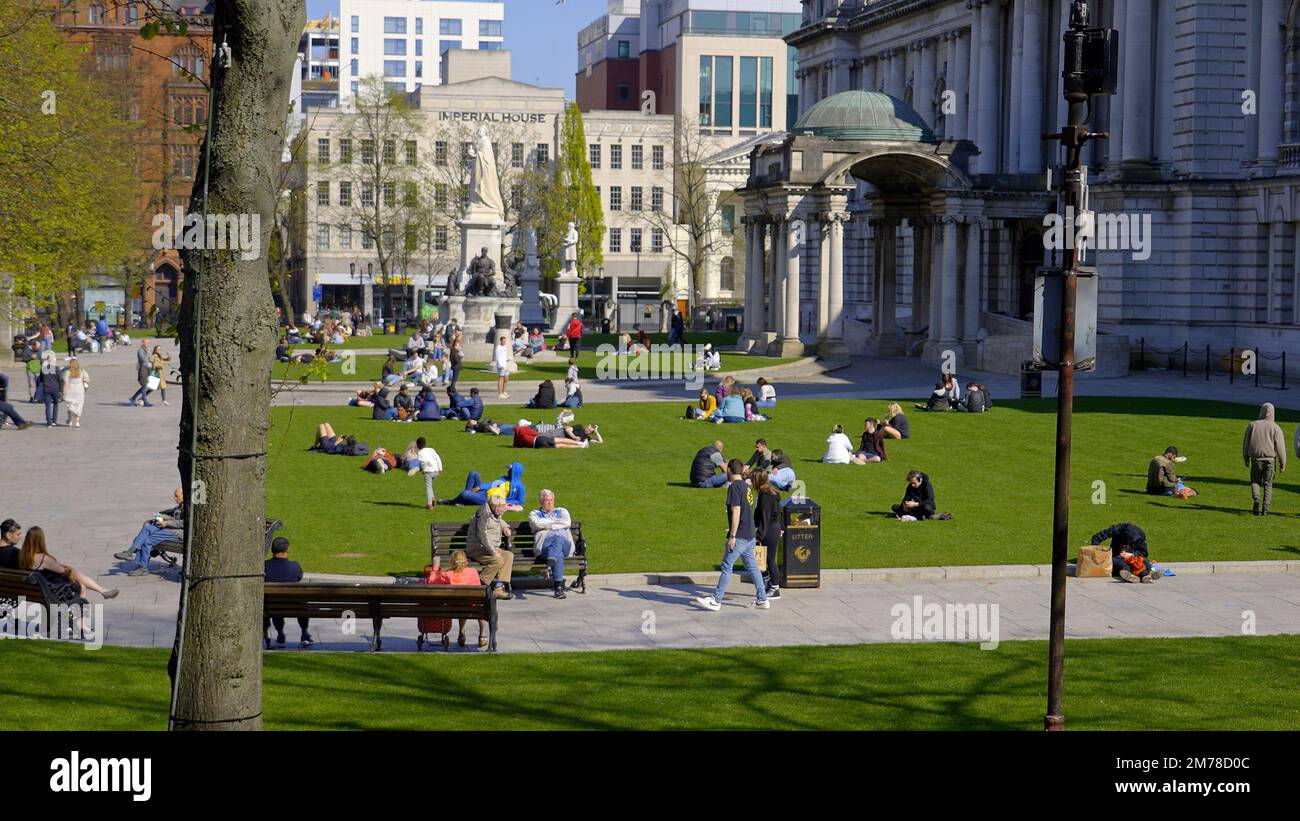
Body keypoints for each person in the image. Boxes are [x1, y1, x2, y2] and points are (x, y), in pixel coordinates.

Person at [695, 459, 770, 611]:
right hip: (750, 534)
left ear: (728, 470)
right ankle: (762, 599)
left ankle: (716, 600)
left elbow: (736, 511)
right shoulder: (747, 487)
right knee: (753, 567)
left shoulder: (735, 487)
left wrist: (732, 535)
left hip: (740, 535)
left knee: (727, 565)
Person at [21, 526, 117, 599]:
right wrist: (63, 566)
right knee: (81, 585)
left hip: (34, 590)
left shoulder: (22, 555)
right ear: (40, 540)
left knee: (77, 580)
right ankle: (81, 618)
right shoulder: (42, 558)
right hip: (50, 590)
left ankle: (102, 590)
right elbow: (62, 571)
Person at [424, 551, 488, 649]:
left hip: (454, 607)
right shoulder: (473, 571)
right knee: (476, 604)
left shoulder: (447, 574)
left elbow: (431, 582)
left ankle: (461, 632)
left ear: (451, 562)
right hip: (473, 606)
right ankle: (482, 635)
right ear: (465, 561)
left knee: (462, 604)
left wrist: (435, 567)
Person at [263, 537, 314, 648]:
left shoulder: (265, 566)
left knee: (274, 602)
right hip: (294, 606)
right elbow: (299, 577)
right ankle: (304, 632)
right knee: (302, 604)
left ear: (272, 550)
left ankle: (280, 633)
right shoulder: (295, 566)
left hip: (271, 606)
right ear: (287, 550)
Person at [528, 489, 574, 599]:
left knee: (558, 539)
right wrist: (556, 523)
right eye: (546, 500)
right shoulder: (534, 514)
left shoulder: (562, 511)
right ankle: (558, 588)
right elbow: (536, 524)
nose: (550, 503)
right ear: (541, 502)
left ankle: (550, 565)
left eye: (551, 500)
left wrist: (547, 525)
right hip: (545, 546)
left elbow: (567, 522)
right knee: (558, 555)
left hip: (565, 544)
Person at [467, 495, 514, 599]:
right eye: (503, 506)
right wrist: (493, 552)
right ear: (496, 507)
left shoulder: (493, 511)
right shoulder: (483, 514)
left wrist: (505, 526)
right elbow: (481, 535)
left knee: (508, 555)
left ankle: (498, 588)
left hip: (489, 547)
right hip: (478, 548)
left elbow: (498, 519)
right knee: (498, 560)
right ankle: (480, 584)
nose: (505, 507)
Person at [1244, 402, 1287, 516]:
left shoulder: (1252, 425)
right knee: (1268, 484)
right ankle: (1265, 509)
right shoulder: (1276, 428)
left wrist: (1245, 457)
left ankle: (1256, 498)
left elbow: (1246, 443)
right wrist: (1283, 463)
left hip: (1255, 459)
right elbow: (1280, 448)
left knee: (1255, 481)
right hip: (1270, 461)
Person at [1090, 522, 1160, 583]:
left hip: (1134, 557)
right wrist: (1097, 552)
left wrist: (1131, 555)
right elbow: (1096, 538)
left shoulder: (1140, 535)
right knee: (1119, 562)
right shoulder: (1116, 529)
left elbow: (1144, 553)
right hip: (1118, 557)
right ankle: (1129, 574)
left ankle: (1145, 575)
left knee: (1141, 561)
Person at [751, 469, 784, 599]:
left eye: (753, 479)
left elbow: (765, 517)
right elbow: (779, 512)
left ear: (757, 480)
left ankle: (775, 588)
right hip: (773, 528)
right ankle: (770, 582)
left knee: (769, 560)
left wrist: (758, 536)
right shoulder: (771, 492)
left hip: (769, 529)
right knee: (766, 560)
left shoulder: (765, 495)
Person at [447, 462, 526, 508]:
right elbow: (492, 484)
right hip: (485, 491)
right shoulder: (504, 478)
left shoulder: (520, 487)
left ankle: (451, 502)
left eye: (509, 470)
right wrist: (479, 487)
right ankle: (464, 501)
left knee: (465, 493)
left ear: (514, 472)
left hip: (487, 498)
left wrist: (504, 501)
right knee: (473, 473)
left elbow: (520, 501)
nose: (507, 471)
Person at [408, 437, 443, 509]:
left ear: (417, 445)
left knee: (428, 487)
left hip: (428, 472)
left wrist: (424, 470)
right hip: (436, 471)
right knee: (430, 486)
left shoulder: (420, 453)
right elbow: (437, 458)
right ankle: (432, 497)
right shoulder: (431, 449)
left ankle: (429, 504)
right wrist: (440, 468)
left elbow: (423, 462)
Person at [128, 338, 153, 406]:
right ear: (143, 343)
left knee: (149, 386)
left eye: (148, 343)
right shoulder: (140, 350)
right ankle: (145, 402)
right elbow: (143, 360)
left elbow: (149, 360)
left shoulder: (146, 350)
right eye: (146, 343)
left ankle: (133, 398)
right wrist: (148, 354)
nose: (148, 344)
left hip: (148, 369)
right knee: (144, 386)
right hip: (143, 369)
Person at [38, 361, 61, 427]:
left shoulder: (43, 369)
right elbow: (59, 379)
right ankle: (54, 421)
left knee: (47, 406)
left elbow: (41, 379)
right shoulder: (56, 369)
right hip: (55, 388)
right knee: (56, 404)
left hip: (46, 388)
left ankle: (49, 422)